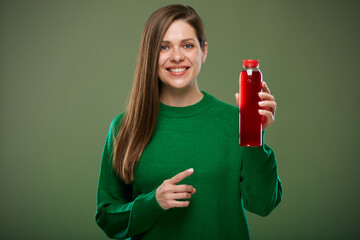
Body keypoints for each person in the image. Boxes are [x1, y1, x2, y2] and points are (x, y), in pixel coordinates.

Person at [95, 4, 282, 240]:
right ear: (150, 54)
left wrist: (256, 132)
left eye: (187, 45)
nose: (176, 56)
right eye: (164, 47)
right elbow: (108, 218)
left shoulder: (237, 122)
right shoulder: (124, 127)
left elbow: (264, 205)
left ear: (203, 51)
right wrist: (153, 203)